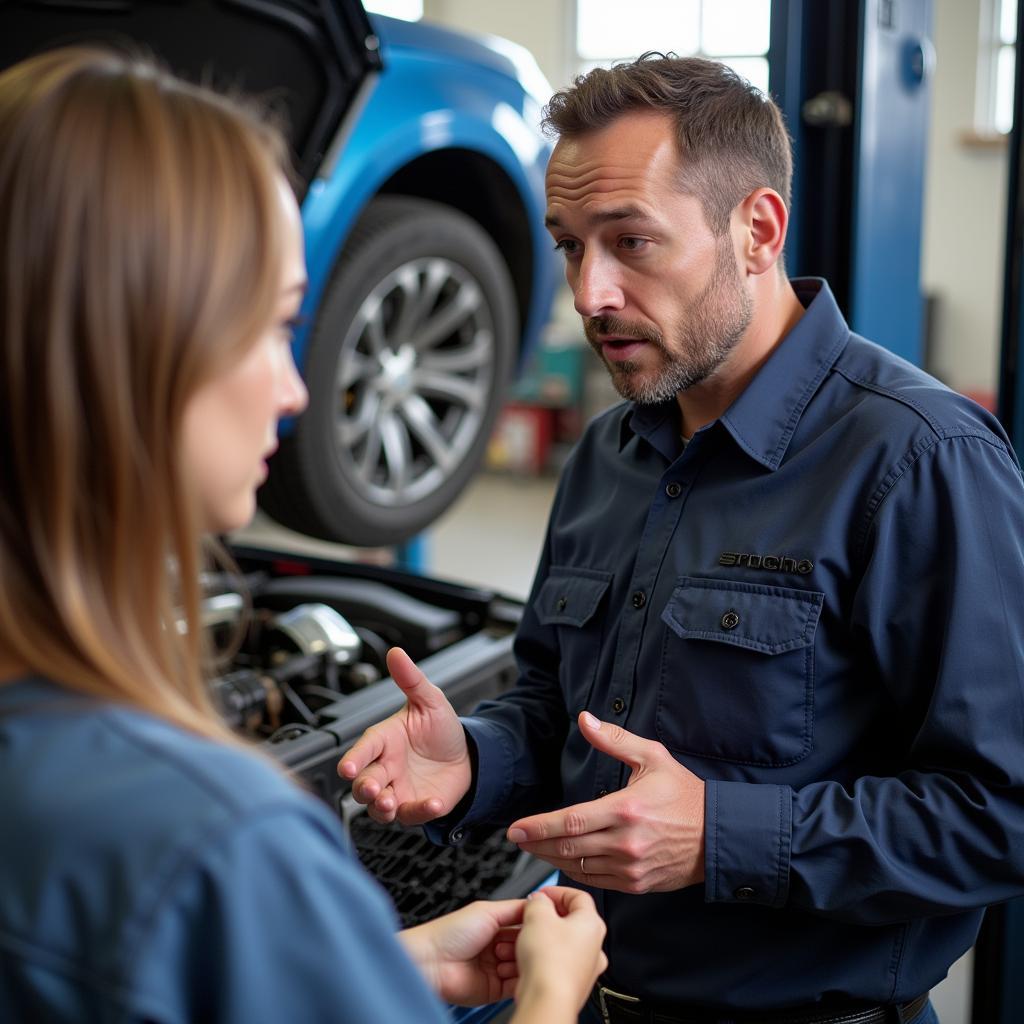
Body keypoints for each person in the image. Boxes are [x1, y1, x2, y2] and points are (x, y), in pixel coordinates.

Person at [339, 54, 1024, 1024]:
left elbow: (1000, 811)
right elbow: (555, 704)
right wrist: (475, 760)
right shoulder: (609, 453)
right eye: (570, 246)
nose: (590, 293)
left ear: (757, 229)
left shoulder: (920, 461)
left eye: (629, 241)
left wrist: (724, 834)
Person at [0, 46, 608, 1023]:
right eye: (276, 324)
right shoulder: (219, 842)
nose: (297, 390)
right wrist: (549, 995)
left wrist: (378, 965)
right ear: (138, 346)